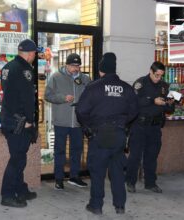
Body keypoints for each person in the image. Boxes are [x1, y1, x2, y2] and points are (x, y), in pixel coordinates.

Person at [76, 53, 138, 215]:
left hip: (99, 135)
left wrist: (88, 128)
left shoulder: (93, 87)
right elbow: (134, 111)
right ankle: (120, 206)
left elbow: (81, 111)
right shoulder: (126, 88)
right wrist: (123, 123)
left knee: (97, 172)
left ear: (101, 70)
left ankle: (96, 205)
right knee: (117, 172)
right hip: (118, 135)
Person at [0, 39, 39, 208]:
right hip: (20, 122)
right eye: (35, 53)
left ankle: (21, 190)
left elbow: (9, 95)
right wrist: (29, 121)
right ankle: (7, 195)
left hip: (9, 119)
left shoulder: (8, 67)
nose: (35, 56)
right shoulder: (24, 70)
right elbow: (27, 98)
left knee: (19, 158)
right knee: (17, 160)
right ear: (31, 53)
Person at [126, 61, 174, 194]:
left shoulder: (164, 86)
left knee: (152, 156)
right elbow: (133, 102)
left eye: (161, 75)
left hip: (155, 126)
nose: (159, 78)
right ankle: (130, 182)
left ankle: (150, 183)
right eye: (157, 75)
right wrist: (152, 101)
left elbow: (170, 108)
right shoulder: (140, 83)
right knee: (135, 155)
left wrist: (170, 103)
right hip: (140, 125)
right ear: (151, 71)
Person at [45, 53, 90, 190]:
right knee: (60, 151)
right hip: (61, 122)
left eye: (77, 66)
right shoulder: (56, 77)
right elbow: (47, 95)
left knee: (77, 150)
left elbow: (91, 96)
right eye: (73, 66)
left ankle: (74, 176)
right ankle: (58, 179)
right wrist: (63, 98)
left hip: (77, 122)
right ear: (66, 65)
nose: (75, 68)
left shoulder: (86, 79)